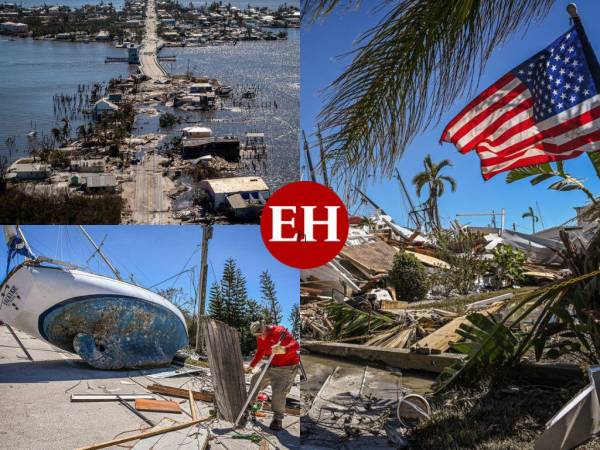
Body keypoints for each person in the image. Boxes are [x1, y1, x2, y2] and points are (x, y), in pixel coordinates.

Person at [245, 320, 300, 431]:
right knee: (256, 379)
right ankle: (249, 406)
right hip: (271, 364)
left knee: (278, 393)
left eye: (261, 334)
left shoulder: (280, 331)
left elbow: (296, 345)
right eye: (258, 336)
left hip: (287, 367)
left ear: (264, 327)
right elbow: (260, 351)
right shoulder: (260, 336)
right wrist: (252, 365)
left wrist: (284, 349)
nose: (261, 337)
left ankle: (277, 419)